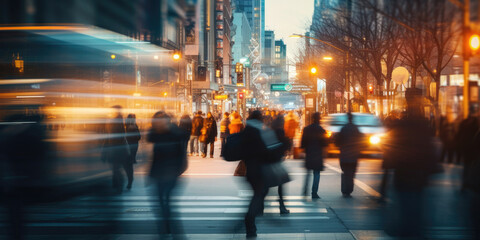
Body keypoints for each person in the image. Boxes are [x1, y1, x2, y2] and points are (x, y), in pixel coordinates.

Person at [148, 111, 189, 237]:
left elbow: (181, 155)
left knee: (166, 202)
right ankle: (167, 227)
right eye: (156, 120)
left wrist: (178, 170)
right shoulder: (156, 134)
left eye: (161, 120)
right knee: (161, 202)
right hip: (159, 173)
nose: (158, 122)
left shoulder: (174, 133)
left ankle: (170, 228)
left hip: (171, 174)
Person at [241, 110, 270, 238]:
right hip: (257, 169)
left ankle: (251, 219)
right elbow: (264, 150)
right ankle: (249, 222)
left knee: (259, 193)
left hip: (250, 169)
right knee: (259, 194)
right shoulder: (258, 131)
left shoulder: (247, 130)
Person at [335, 112, 363, 197]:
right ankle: (349, 189)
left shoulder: (343, 128)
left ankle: (344, 190)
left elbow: (337, 141)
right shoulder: (356, 129)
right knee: (352, 173)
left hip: (344, 155)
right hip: (354, 155)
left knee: (345, 172)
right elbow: (361, 141)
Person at [301, 112, 327, 199]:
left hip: (309, 153)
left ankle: (305, 191)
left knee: (308, 173)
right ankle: (314, 193)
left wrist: (303, 152)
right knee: (316, 174)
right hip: (318, 154)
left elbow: (303, 143)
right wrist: (324, 156)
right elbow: (324, 144)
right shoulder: (321, 130)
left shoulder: (306, 129)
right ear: (319, 119)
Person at [104, 105, 130, 193]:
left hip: (116, 149)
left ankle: (119, 186)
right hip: (116, 148)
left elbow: (115, 136)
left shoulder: (117, 121)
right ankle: (117, 185)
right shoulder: (117, 120)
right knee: (116, 168)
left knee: (116, 168)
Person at [271, 114, 291, 214]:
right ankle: (282, 206)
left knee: (266, 185)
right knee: (281, 184)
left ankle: (260, 207)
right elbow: (284, 143)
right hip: (277, 161)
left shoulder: (270, 131)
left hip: (269, 161)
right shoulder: (280, 131)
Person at [125, 114, 141, 190]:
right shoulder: (126, 126)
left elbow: (138, 137)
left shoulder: (133, 126)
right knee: (127, 166)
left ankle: (130, 181)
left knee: (128, 165)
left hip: (130, 148)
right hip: (128, 147)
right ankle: (129, 180)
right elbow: (138, 137)